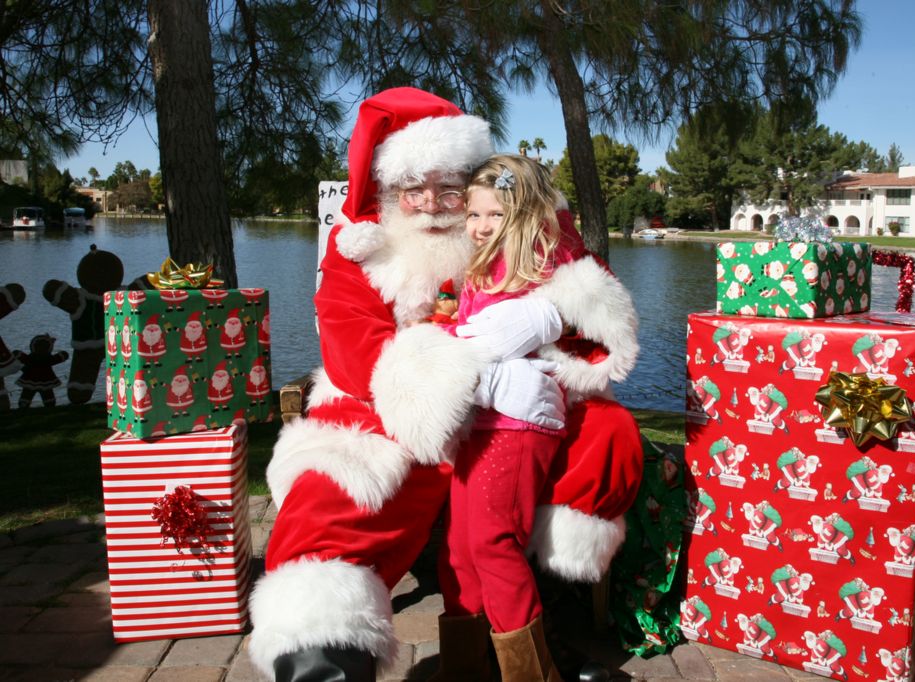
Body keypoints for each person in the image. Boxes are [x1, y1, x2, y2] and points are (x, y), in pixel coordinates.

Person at [248, 87, 643, 681]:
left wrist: (549, 313)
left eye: (449, 188)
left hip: (516, 403)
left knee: (604, 435)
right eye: (413, 189)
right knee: (338, 488)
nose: (431, 205)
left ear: (474, 182)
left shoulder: (526, 225)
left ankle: (545, 625)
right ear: (388, 192)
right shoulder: (360, 249)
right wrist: (451, 372)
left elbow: (590, 306)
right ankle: (323, 652)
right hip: (391, 401)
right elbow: (353, 352)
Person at [436, 155, 628, 681]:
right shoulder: (480, 267)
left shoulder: (540, 264)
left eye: (493, 215)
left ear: (521, 216)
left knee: (493, 545)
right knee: (458, 547)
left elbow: (580, 289)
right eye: (473, 215)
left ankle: (530, 673)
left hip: (519, 425)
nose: (478, 226)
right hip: (480, 421)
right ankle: (466, 667)